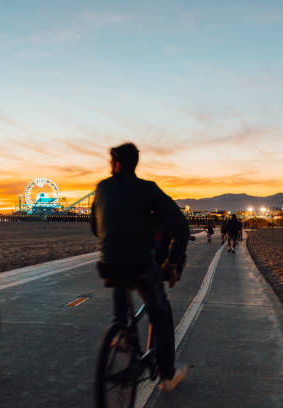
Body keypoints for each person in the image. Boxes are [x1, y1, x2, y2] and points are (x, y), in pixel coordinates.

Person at [90, 142, 189, 392]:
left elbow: (94, 228)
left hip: (108, 265)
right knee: (161, 314)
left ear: (117, 163)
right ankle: (167, 376)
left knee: (119, 277)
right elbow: (181, 227)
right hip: (142, 266)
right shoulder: (148, 189)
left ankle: (121, 329)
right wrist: (172, 262)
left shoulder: (102, 187)